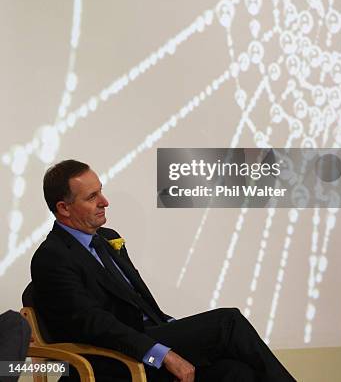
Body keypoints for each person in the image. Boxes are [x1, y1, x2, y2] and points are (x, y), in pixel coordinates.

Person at [30, 160, 296, 381]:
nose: (105, 201)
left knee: (238, 373)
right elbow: (94, 324)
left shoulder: (108, 238)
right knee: (228, 322)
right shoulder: (51, 258)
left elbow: (136, 303)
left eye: (101, 191)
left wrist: (172, 327)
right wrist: (164, 354)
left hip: (145, 339)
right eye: (92, 197)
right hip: (111, 361)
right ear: (63, 208)